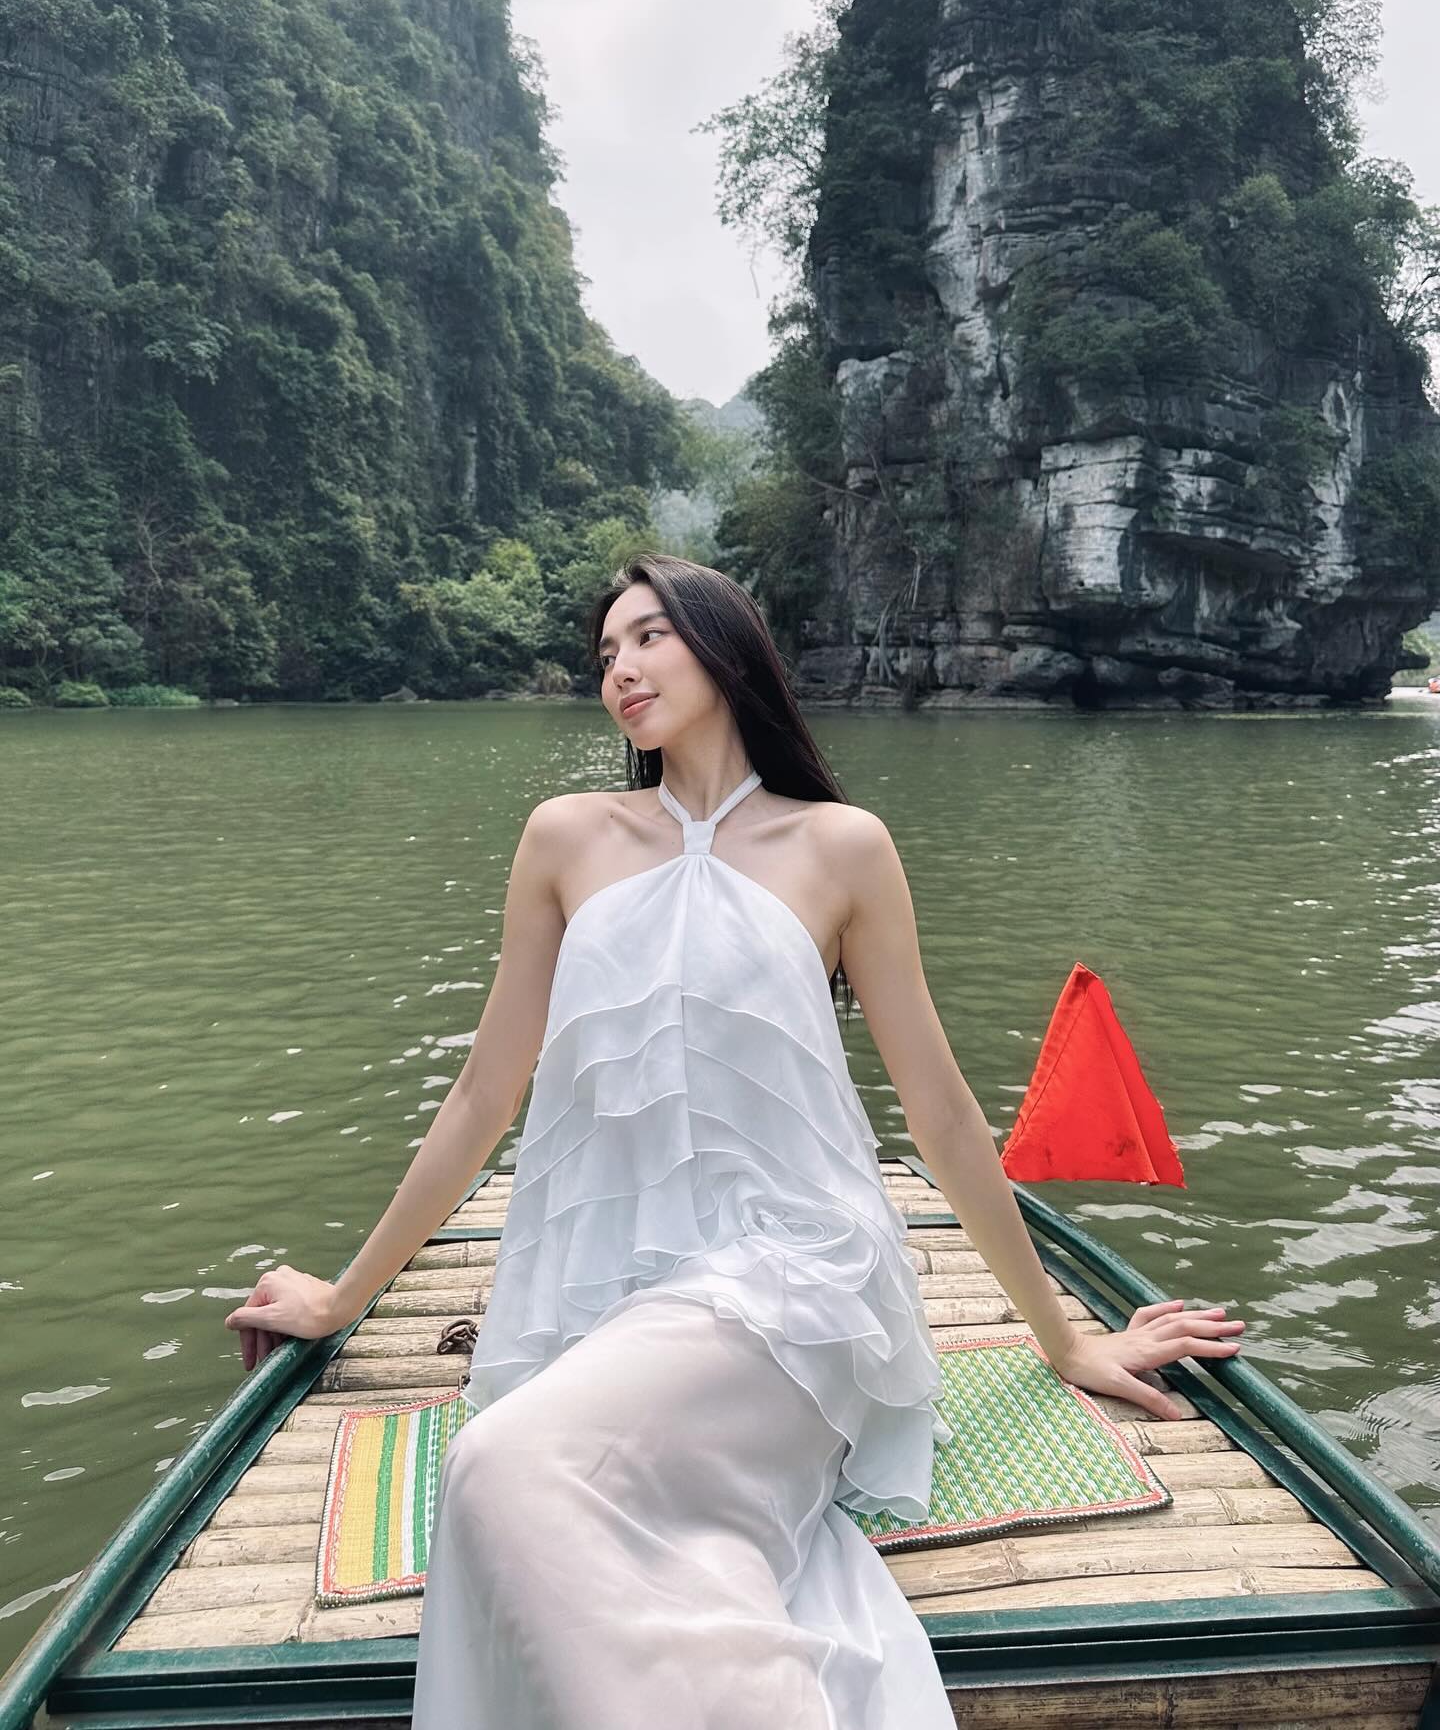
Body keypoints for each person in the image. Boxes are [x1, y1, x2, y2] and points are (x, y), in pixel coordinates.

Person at [225, 554, 1247, 1727]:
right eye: (605, 653)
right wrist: (342, 1299)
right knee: (560, 1497)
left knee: (503, 1466)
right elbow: (480, 1096)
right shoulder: (564, 838)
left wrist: (1064, 1341)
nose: (620, 669)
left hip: (793, 1271)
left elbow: (942, 1112)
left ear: (724, 647)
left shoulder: (840, 846)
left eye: (649, 637)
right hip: (599, 1289)